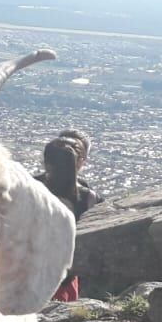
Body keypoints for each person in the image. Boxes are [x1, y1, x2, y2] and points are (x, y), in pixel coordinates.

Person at [34, 129, 102, 302]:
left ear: (46, 163)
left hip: (27, 269)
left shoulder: (29, 188)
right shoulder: (89, 198)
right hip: (66, 275)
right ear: (79, 162)